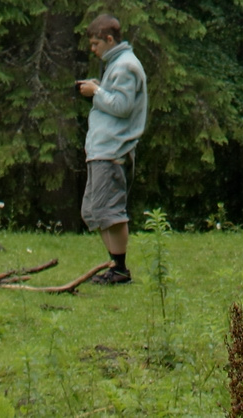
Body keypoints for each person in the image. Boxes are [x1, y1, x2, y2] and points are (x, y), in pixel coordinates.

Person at [75, 14, 146, 284]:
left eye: (95, 44)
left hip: (113, 150)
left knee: (110, 211)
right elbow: (116, 99)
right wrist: (100, 87)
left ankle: (119, 270)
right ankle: (114, 266)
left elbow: (122, 106)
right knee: (93, 211)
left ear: (109, 39)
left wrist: (97, 92)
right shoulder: (116, 64)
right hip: (101, 149)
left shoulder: (126, 66)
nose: (93, 50)